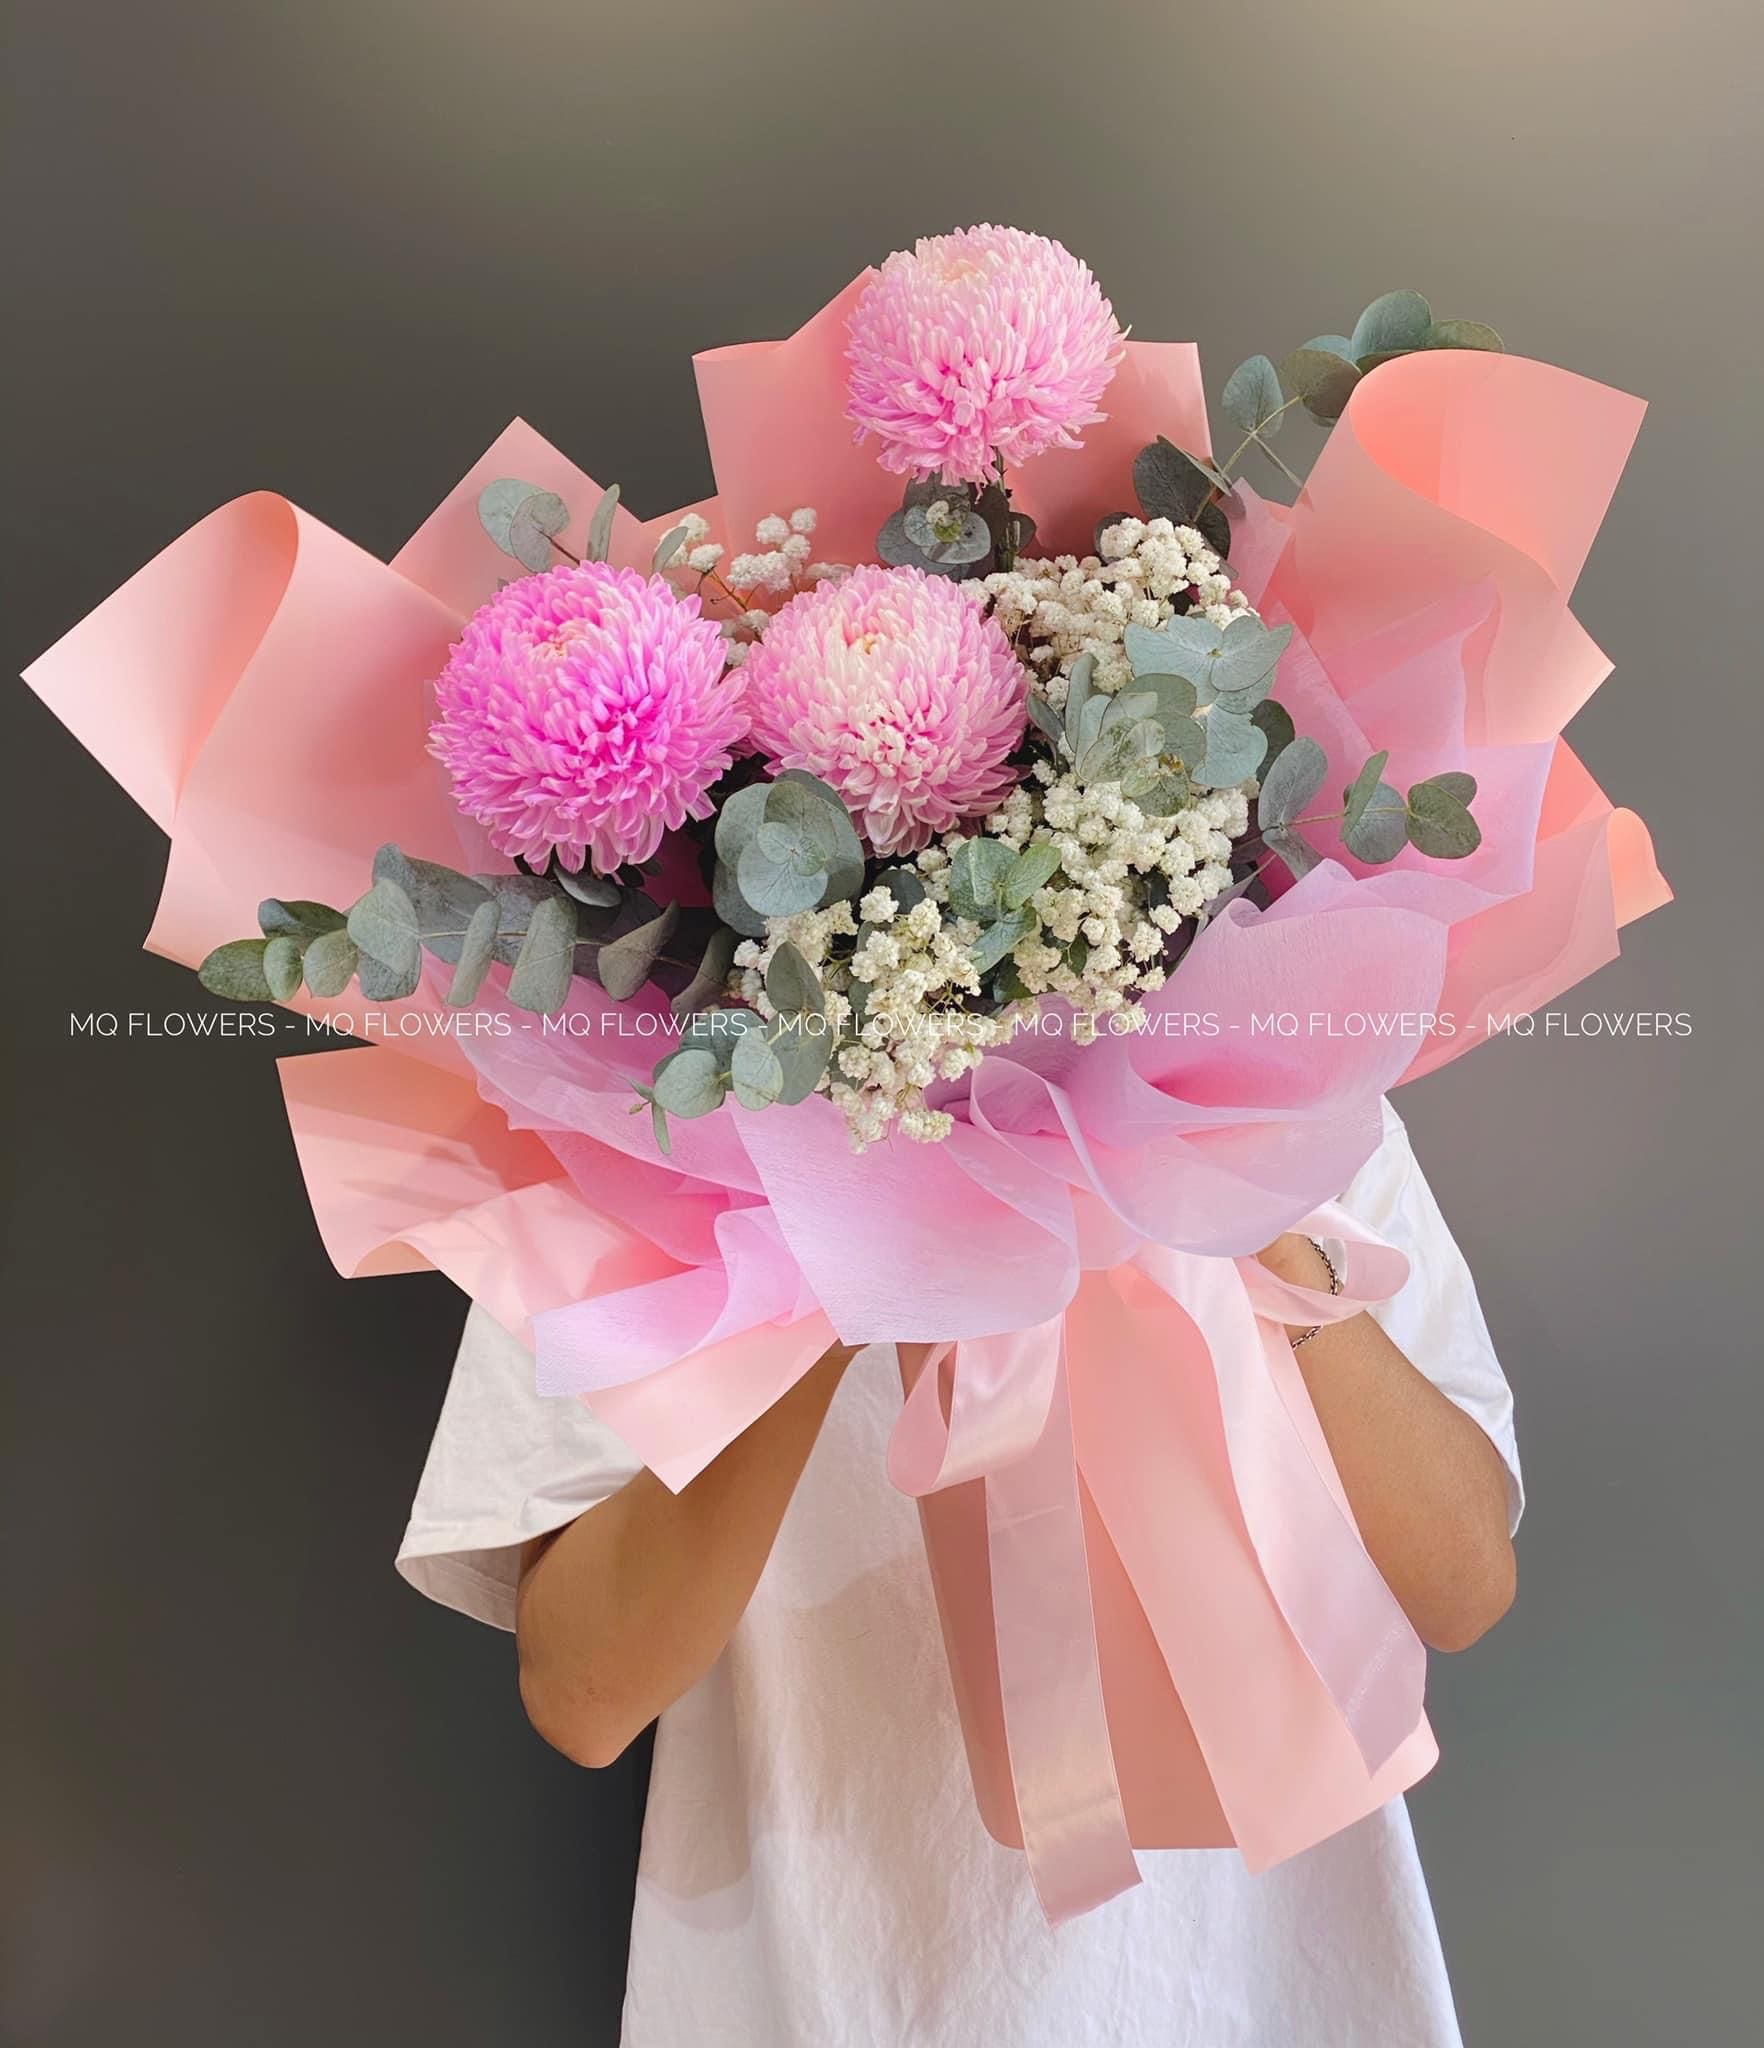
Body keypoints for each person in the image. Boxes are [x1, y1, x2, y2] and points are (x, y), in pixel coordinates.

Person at [398, 1097, 1519, 2046]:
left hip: (1250, 1987)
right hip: (821, 1988)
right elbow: (583, 1694)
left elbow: (1464, 1586)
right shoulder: (634, 1110)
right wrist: (837, 1240)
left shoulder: (1284, 1082)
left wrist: (1235, 1207)